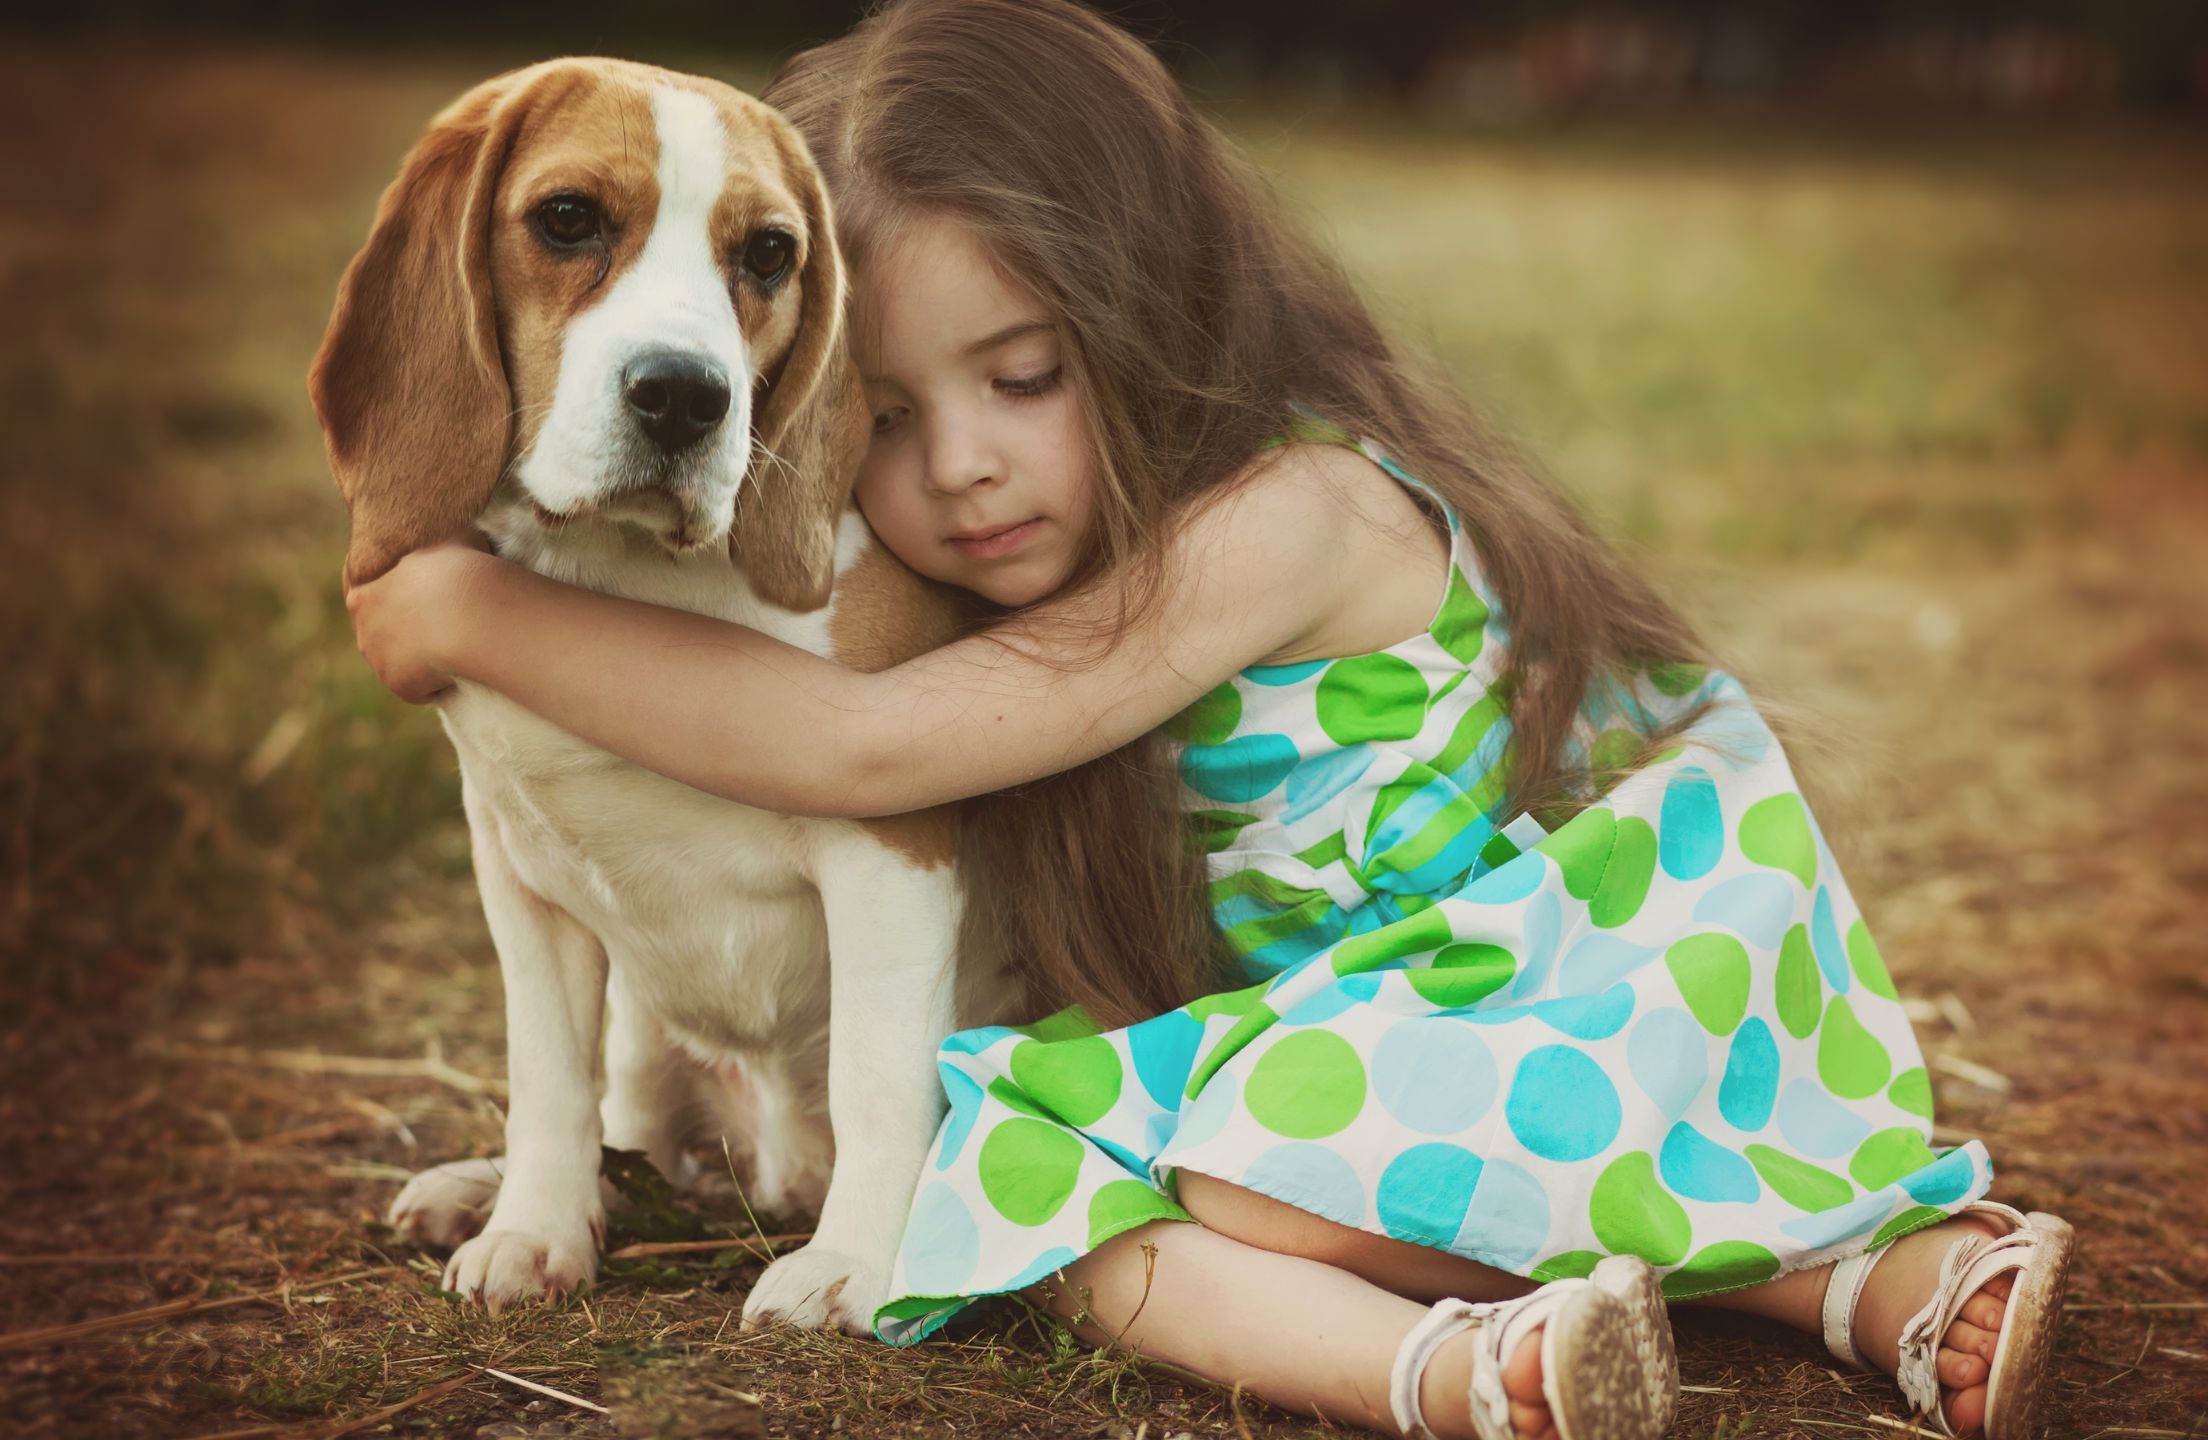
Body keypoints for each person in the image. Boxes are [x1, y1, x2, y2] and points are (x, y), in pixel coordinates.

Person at [345, 2, 2073, 1436]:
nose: (957, 466)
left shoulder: (1289, 518)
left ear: (1155, 312)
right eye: (882, 417)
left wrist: (473, 609)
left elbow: (867, 756)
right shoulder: (1057, 544)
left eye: (1026, 379)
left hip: (1535, 996)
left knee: (1074, 1189)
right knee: (1087, 1170)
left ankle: (1452, 1374)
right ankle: (1874, 1280)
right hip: (1394, 1049)